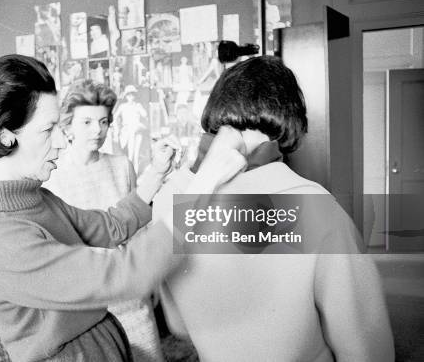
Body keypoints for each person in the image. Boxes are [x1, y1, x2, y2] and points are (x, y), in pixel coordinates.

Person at [0, 54, 249, 362]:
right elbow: (121, 273)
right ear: (5, 135)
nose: (62, 142)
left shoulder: (28, 196)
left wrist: (156, 177)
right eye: (48, 129)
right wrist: (204, 185)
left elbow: (109, 227)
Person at [154, 55, 395, 362]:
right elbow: (367, 349)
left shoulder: (168, 198)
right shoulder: (316, 210)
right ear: (288, 118)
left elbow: (178, 323)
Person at [44, 80, 164, 362]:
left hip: (130, 292)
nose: (97, 130)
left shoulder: (122, 166)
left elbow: (140, 231)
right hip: (85, 300)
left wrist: (152, 281)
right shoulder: (53, 174)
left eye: (103, 122)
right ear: (68, 125)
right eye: (86, 122)